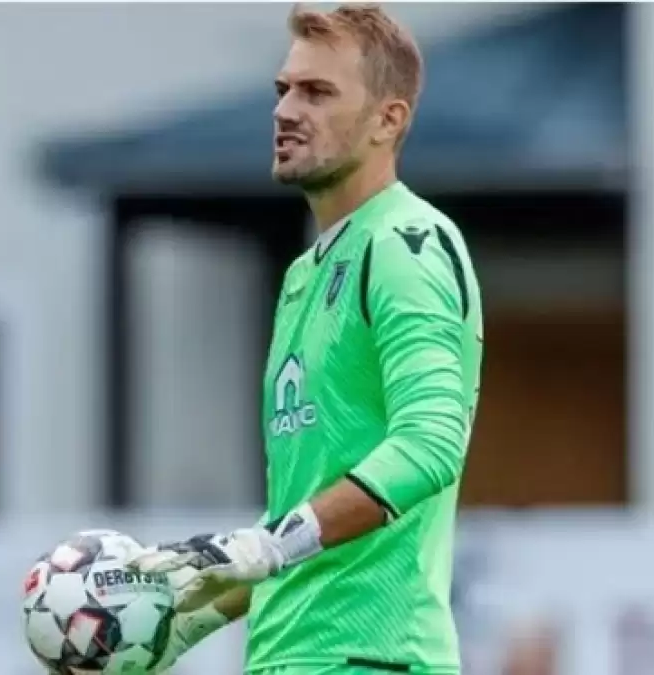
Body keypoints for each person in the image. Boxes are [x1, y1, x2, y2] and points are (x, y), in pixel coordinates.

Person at [131, 4, 484, 674]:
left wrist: (268, 544)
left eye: (317, 92)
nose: (286, 110)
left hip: (370, 656)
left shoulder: (405, 243)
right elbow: (304, 522)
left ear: (388, 120)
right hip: (292, 654)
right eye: (283, 90)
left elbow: (432, 440)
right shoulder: (305, 274)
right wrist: (189, 617)